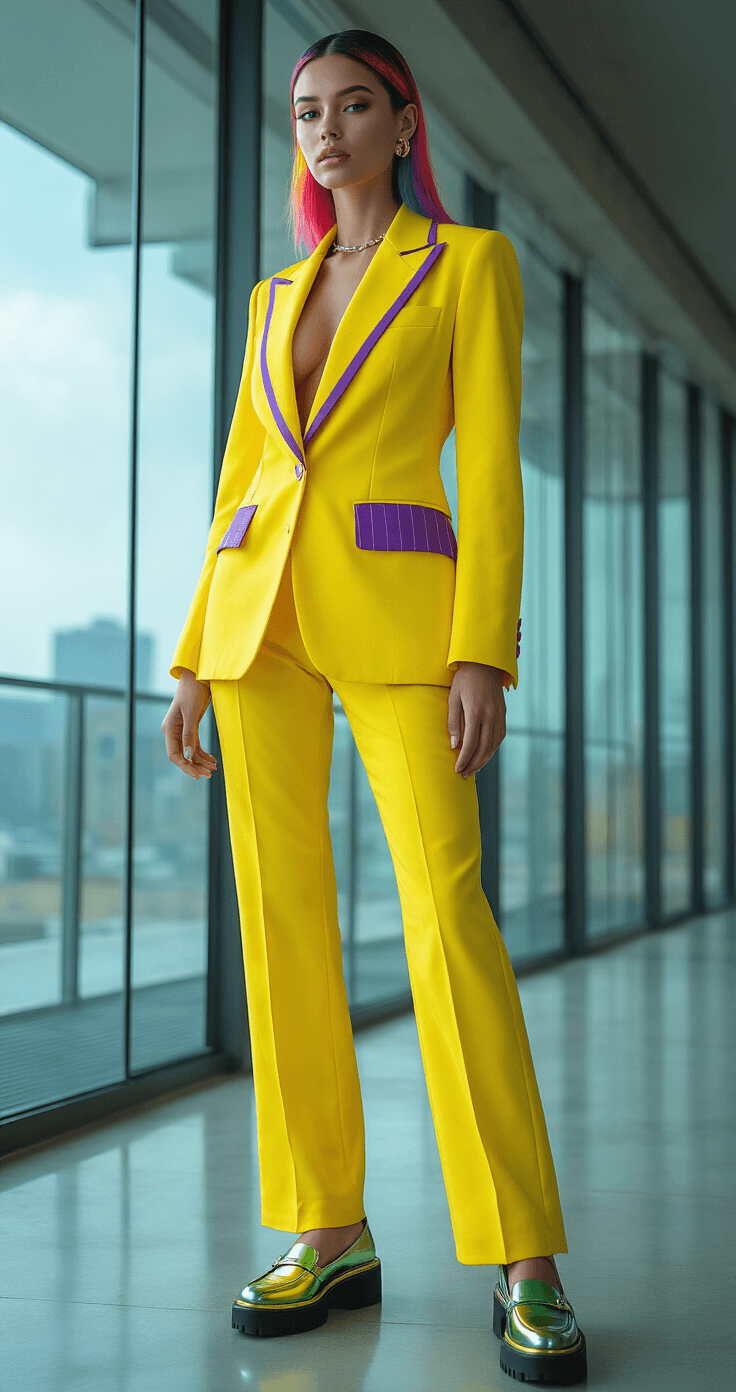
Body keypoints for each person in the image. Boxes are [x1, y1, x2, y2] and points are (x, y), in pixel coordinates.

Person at [161, 28, 586, 1385]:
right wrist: (192, 649)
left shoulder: (469, 268)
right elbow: (241, 474)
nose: (326, 130)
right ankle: (327, 1226)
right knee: (281, 930)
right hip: (257, 630)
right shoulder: (270, 293)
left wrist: (487, 652)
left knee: (446, 918)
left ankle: (526, 1258)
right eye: (305, 113)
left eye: (354, 107)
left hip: (407, 616)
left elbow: (498, 474)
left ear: (406, 126)